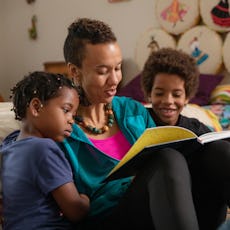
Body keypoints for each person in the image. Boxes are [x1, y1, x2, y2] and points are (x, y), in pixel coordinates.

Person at [61, 17, 200, 230]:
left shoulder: (132, 110)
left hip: (158, 210)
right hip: (108, 219)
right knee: (166, 159)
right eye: (102, 71)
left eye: (117, 68)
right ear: (74, 71)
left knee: (218, 152)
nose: (115, 79)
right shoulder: (61, 129)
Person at [141, 47, 230, 230]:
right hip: (154, 209)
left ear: (188, 96)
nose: (168, 101)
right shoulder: (137, 123)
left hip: (201, 209)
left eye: (176, 94)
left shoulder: (196, 128)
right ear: (149, 93)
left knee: (221, 149)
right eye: (159, 93)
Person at [0, 72, 90, 229]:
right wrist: (85, 200)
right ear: (36, 107)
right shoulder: (43, 148)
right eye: (66, 110)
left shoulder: (7, 146)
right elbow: (75, 211)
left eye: (74, 116)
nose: (71, 121)